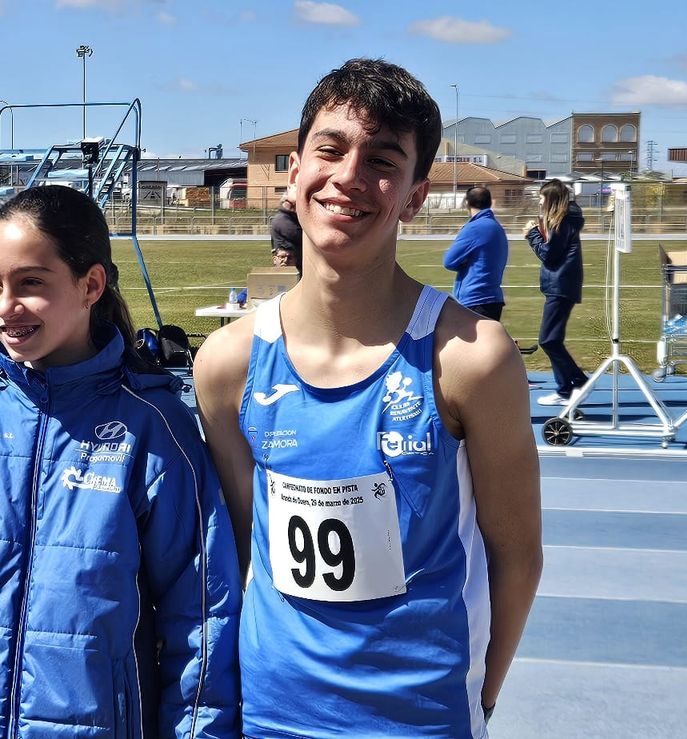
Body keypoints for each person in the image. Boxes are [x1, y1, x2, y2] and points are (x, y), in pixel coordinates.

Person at [193, 58, 541, 738]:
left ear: (414, 195)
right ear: (294, 170)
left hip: (420, 719)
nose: (350, 176)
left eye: (383, 160)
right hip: (270, 717)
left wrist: (481, 696)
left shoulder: (471, 359)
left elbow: (518, 555)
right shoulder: (227, 365)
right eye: (330, 149)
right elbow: (242, 555)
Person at [0, 184, 241, 737]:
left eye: (31, 283)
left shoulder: (153, 425)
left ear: (91, 284)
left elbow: (201, 617)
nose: (3, 307)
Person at [526, 178, 588, 406]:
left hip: (561, 286)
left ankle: (578, 383)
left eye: (542, 197)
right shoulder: (565, 219)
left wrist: (532, 234)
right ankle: (565, 389)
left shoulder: (563, 221)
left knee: (548, 340)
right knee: (552, 339)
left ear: (550, 198)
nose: (540, 201)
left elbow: (549, 255)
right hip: (561, 284)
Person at [443, 185, 510, 320]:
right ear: (489, 203)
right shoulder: (497, 227)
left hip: (474, 298)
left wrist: (465, 263)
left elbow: (449, 261)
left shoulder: (474, 227)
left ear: (467, 203)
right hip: (493, 297)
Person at [271, 187, 303, 276]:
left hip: (293, 267)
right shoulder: (282, 220)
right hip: (287, 267)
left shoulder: (289, 219)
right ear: (289, 203)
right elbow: (301, 237)